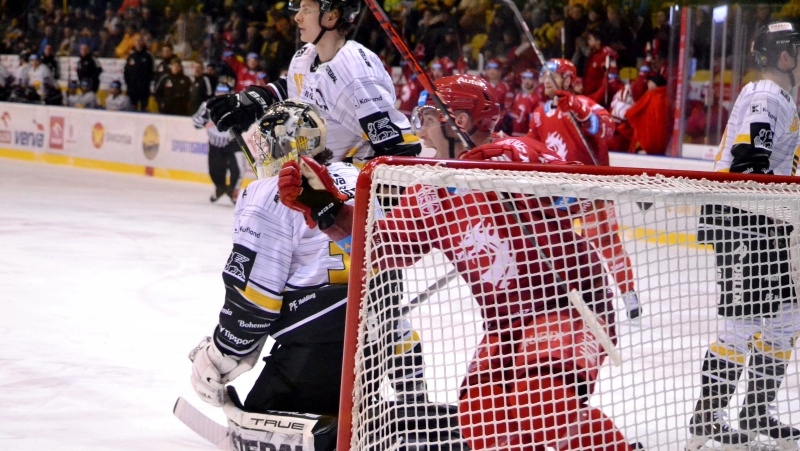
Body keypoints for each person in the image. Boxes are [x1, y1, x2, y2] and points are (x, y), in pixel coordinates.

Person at [277, 74, 635, 451]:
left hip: (570, 307)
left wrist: (516, 173)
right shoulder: (432, 188)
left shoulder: (517, 151)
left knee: (543, 405)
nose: (421, 133)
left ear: (458, 122)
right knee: (481, 418)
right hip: (507, 325)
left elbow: (585, 195)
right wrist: (328, 211)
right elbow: (380, 249)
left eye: (428, 120)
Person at [188, 100, 357, 451]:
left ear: (287, 146)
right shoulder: (360, 176)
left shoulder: (268, 193)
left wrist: (223, 354)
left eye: (267, 145)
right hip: (374, 346)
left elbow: (254, 299)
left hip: (312, 351)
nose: (260, 154)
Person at [687, 21, 800, 450]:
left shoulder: (780, 97)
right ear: (785, 57)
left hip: (765, 222)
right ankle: (706, 418)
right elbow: (748, 160)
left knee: (788, 317)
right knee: (742, 325)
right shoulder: (768, 95)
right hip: (741, 220)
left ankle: (755, 412)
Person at [206, 0, 421, 166]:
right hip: (314, 186)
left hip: (343, 200)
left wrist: (348, 194)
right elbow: (298, 87)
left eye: (307, 10)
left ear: (331, 17)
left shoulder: (355, 72)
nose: (297, 18)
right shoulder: (306, 55)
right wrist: (257, 99)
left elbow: (400, 147)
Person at [527, 58, 642, 319]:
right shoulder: (537, 113)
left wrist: (578, 109)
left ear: (567, 80)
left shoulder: (586, 105)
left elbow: (607, 129)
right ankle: (559, 297)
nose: (544, 79)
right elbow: (532, 147)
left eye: (552, 75)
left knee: (607, 243)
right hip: (557, 194)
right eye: (543, 74)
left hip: (591, 190)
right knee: (552, 245)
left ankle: (627, 293)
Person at [191, 83, 243, 204]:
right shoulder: (207, 105)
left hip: (232, 142)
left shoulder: (236, 105)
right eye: (219, 91)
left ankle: (233, 192)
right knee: (215, 171)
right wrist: (204, 123)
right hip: (215, 143)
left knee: (237, 169)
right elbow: (195, 121)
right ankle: (220, 188)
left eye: (224, 92)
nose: (221, 94)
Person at [123, 34, 155, 112]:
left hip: (144, 88)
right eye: (137, 40)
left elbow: (152, 72)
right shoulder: (131, 55)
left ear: (143, 42)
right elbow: (126, 71)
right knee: (131, 109)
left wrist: (147, 83)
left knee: (144, 109)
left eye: (140, 40)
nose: (138, 42)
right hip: (132, 89)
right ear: (134, 42)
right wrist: (129, 84)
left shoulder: (148, 56)